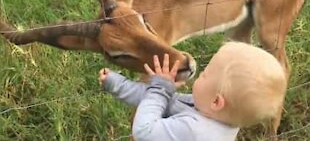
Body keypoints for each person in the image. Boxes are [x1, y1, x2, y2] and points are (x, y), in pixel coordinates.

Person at [98, 42, 287, 141]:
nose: (200, 75)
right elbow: (160, 100)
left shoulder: (196, 133)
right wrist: (116, 83)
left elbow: (143, 131)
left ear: (216, 101)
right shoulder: (222, 117)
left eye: (205, 74)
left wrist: (160, 89)